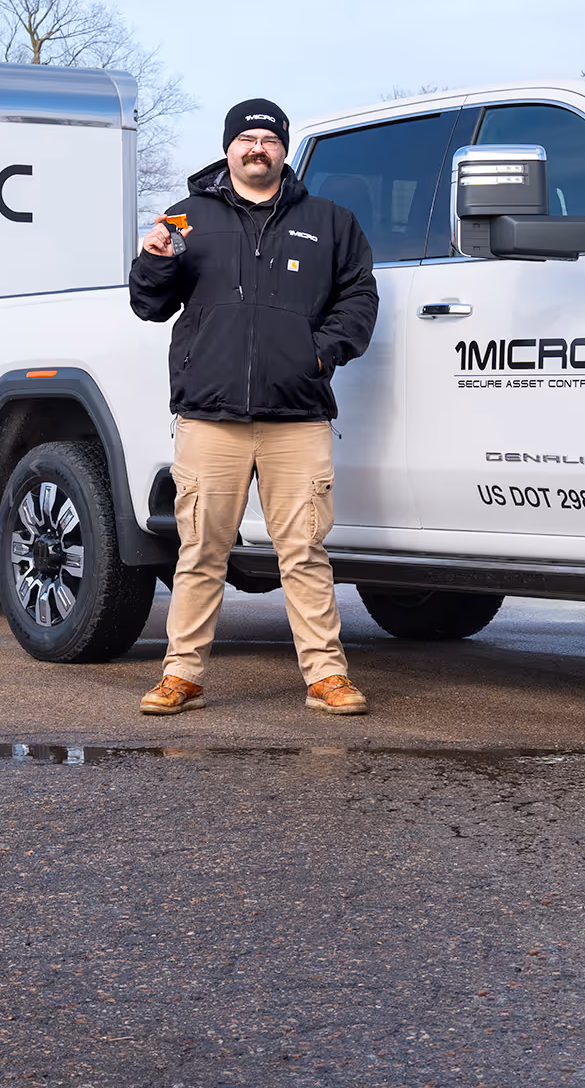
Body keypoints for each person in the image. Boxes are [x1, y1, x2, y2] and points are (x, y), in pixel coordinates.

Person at [128, 97, 379, 718]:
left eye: (268, 138)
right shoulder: (187, 218)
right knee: (201, 551)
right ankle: (181, 675)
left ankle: (327, 676)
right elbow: (149, 306)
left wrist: (317, 356)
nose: (257, 147)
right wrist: (154, 263)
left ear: (283, 149)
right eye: (246, 139)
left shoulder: (329, 222)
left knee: (304, 552)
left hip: (296, 416)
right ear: (229, 148)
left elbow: (359, 298)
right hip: (210, 417)